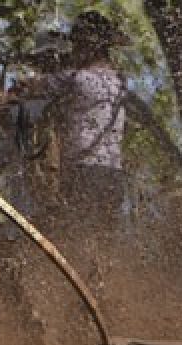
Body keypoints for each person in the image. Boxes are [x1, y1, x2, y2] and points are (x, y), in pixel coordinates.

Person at [42, 11, 130, 228]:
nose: (75, 50)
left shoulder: (75, 78)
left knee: (76, 236)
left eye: (78, 44)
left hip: (82, 173)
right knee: (103, 238)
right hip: (114, 175)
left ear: (90, 46)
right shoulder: (121, 83)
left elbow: (32, 90)